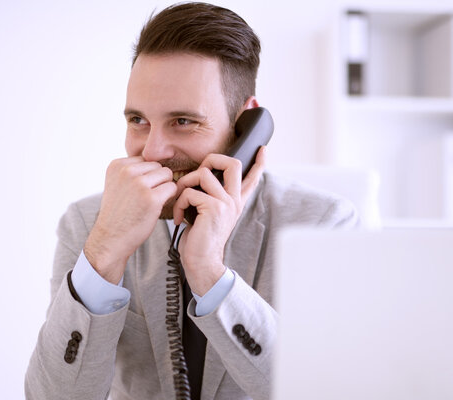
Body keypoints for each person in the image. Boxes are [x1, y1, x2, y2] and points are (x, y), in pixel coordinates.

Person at [25, 3, 358, 400]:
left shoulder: (324, 224)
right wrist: (104, 254)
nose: (152, 151)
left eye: (183, 121)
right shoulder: (87, 224)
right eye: (138, 120)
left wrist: (209, 273)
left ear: (245, 126)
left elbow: (326, 389)